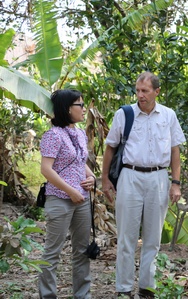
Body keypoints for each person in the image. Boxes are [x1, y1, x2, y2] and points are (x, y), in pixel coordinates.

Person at [101, 71, 186, 298]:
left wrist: (175, 183)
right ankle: (124, 289)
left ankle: (147, 288)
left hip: (159, 177)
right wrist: (105, 179)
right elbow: (110, 147)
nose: (140, 95)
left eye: (145, 91)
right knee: (126, 236)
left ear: (157, 92)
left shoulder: (168, 115)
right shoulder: (125, 114)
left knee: (153, 238)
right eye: (138, 90)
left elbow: (175, 150)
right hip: (130, 176)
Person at [38, 89, 96, 299]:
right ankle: (48, 295)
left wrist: (91, 178)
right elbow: (46, 169)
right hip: (60, 200)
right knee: (52, 252)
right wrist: (70, 191)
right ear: (66, 108)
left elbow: (81, 162)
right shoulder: (52, 135)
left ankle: (83, 295)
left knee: (81, 251)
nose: (83, 109)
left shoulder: (80, 133)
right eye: (79, 105)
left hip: (81, 200)